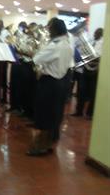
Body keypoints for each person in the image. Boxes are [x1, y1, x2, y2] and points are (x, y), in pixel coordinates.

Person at [27, 18, 73, 156]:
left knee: (44, 115)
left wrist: (33, 51)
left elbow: (36, 59)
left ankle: (39, 147)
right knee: (55, 115)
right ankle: (49, 144)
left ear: (55, 30)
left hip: (49, 83)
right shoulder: (67, 44)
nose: (48, 31)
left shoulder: (55, 46)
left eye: (50, 28)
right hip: (62, 83)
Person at [72, 28, 103, 119]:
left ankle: (90, 114)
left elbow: (97, 56)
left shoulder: (102, 43)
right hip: (86, 69)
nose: (94, 34)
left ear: (101, 35)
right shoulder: (92, 42)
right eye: (95, 33)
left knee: (93, 93)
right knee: (81, 91)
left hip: (95, 70)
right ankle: (79, 111)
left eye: (97, 33)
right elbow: (84, 54)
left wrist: (90, 56)